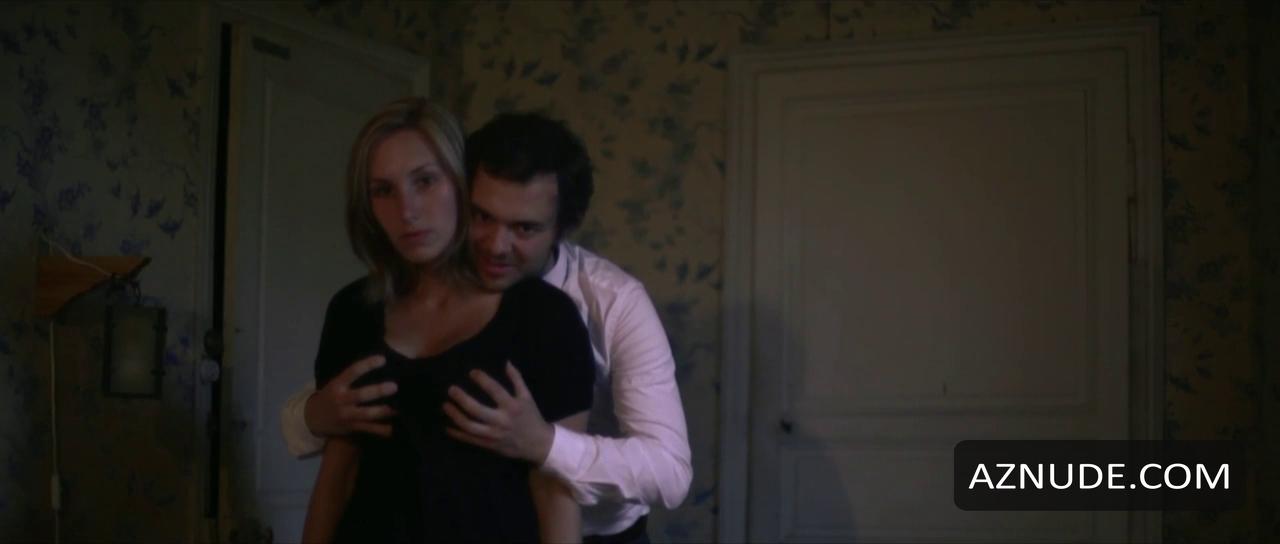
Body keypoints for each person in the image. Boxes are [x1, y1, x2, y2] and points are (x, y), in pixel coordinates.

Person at [283, 112, 692, 543]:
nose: (496, 246)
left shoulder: (605, 302)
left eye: (525, 228)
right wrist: (313, 417)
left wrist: (545, 444)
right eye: (482, 217)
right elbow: (350, 419)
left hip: (601, 528)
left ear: (560, 230)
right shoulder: (373, 304)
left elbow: (669, 472)